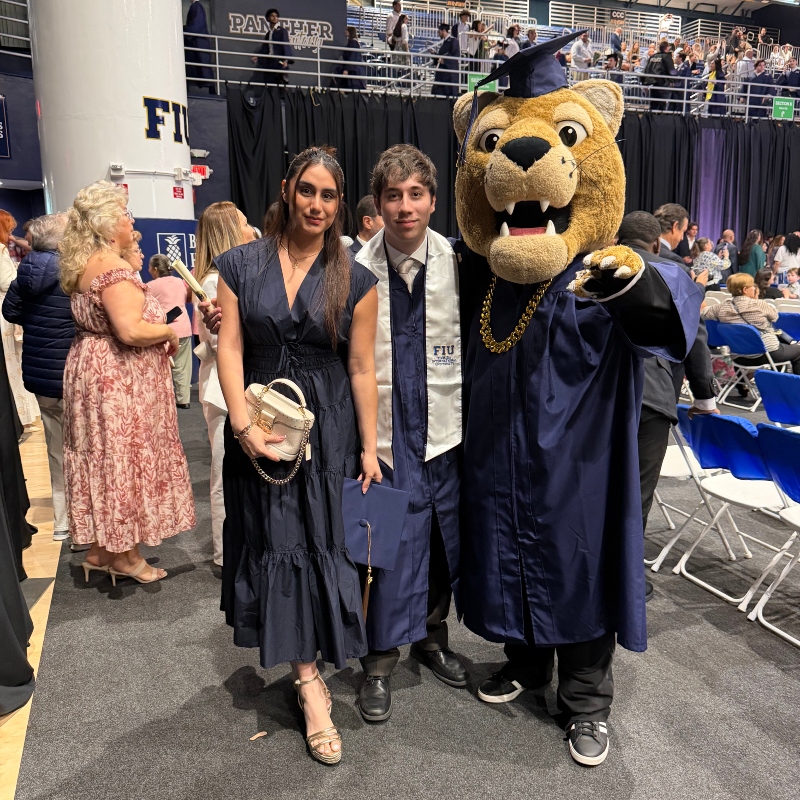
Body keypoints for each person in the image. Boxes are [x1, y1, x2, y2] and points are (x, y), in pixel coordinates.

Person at [215, 147, 380, 765]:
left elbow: (361, 366)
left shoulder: (355, 278)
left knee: (320, 543)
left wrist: (368, 445)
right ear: (288, 190)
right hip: (259, 421)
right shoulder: (239, 264)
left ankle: (309, 672)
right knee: (276, 540)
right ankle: (311, 683)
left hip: (327, 427)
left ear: (340, 204)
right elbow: (229, 347)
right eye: (307, 191)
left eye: (329, 196)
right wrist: (239, 423)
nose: (316, 205)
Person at [353, 145, 465, 723]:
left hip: (444, 434)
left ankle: (432, 636)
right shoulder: (349, 269)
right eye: (392, 196)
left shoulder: (461, 263)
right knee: (381, 546)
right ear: (377, 204)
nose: (404, 207)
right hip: (383, 437)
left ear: (432, 199)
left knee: (442, 543)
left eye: (415, 194)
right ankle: (377, 660)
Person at [58, 182, 195, 584]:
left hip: (92, 371)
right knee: (123, 459)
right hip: (118, 379)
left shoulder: (85, 263)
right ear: (104, 224)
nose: (130, 220)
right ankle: (127, 556)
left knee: (101, 458)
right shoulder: (112, 268)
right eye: (123, 214)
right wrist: (168, 333)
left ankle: (102, 550)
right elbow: (130, 330)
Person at [617, 213, 717, 604]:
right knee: (638, 492)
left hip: (600, 392)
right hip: (653, 395)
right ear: (657, 242)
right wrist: (706, 398)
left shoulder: (596, 264)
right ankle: (626, 581)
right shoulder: (676, 273)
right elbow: (694, 339)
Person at [1, 214, 75, 544]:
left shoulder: (24, 271)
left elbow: (10, 311)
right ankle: (84, 528)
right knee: (86, 453)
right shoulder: (74, 273)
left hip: (39, 375)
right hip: (74, 374)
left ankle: (62, 522)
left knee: (56, 452)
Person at [192, 202, 255, 570]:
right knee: (223, 472)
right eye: (245, 224)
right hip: (222, 389)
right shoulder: (215, 282)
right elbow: (221, 345)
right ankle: (223, 554)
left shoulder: (231, 276)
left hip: (230, 386)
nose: (251, 230)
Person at [702, 272, 800, 374]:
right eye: (752, 286)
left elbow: (704, 313)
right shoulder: (760, 304)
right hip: (767, 354)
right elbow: (775, 317)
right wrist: (756, 299)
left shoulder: (721, 307)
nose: (755, 288)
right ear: (745, 290)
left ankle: (743, 389)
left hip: (739, 356)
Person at [0, 210, 39, 429]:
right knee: (12, 361)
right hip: (5, 311)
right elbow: (6, 282)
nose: (11, 233)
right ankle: (21, 418)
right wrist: (20, 275)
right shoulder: (1, 250)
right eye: (9, 228)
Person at [147, 255, 193, 409]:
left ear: (154, 269)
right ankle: (183, 400)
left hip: (162, 330)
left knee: (160, 367)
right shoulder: (181, 282)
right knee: (183, 367)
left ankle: (162, 400)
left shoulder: (150, 286)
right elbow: (187, 298)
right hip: (184, 328)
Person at [252, 8, 294, 86]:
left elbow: (286, 45)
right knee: (270, 84)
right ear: (268, 18)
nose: (275, 18)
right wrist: (258, 56)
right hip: (270, 62)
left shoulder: (282, 31)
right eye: (272, 16)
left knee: (281, 84)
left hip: (279, 62)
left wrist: (286, 60)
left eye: (276, 16)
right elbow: (265, 48)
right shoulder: (268, 34)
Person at [184, 0, 215, 94]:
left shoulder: (196, 7)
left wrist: (183, 30)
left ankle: (209, 88)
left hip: (199, 42)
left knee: (203, 67)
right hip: (198, 42)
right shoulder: (197, 7)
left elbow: (196, 25)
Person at [643, 40, 675, 112]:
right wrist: (673, 80)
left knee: (653, 105)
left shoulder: (653, 56)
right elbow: (671, 70)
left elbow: (646, 69)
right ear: (666, 48)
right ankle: (659, 121)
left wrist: (644, 82)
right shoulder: (667, 57)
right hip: (662, 84)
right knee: (661, 106)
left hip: (652, 84)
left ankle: (651, 121)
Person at [433, 22, 460, 97]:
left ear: (444, 31)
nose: (438, 34)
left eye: (439, 32)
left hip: (449, 76)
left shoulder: (453, 41)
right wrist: (435, 55)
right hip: (443, 75)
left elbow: (454, 57)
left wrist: (444, 61)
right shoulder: (445, 42)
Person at [336, 26, 365, 91]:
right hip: (353, 70)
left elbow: (352, 57)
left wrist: (346, 69)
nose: (345, 31)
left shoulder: (353, 43)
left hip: (354, 72)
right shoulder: (352, 42)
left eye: (347, 30)